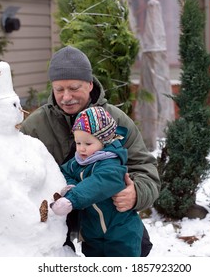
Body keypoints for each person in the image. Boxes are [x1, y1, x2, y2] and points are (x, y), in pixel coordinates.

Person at [20, 45, 160, 256]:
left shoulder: (115, 120)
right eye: (59, 89)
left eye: (74, 88)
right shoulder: (35, 126)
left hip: (105, 213)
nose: (66, 97)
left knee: (139, 246)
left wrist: (137, 193)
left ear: (89, 84)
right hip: (56, 213)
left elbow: (145, 168)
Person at [50, 106, 143, 256]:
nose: (81, 149)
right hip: (92, 233)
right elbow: (64, 171)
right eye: (78, 143)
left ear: (104, 141)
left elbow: (98, 183)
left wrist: (72, 199)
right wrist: (70, 185)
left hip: (120, 232)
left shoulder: (112, 165)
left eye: (88, 144)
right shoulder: (78, 161)